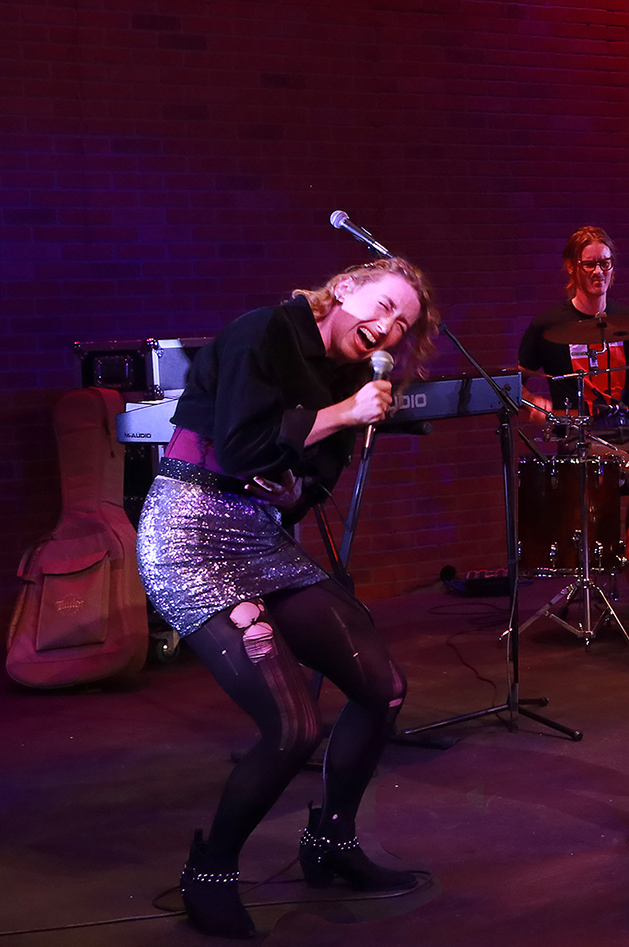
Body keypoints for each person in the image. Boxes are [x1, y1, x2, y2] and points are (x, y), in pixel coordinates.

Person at [136, 258, 437, 938]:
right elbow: (241, 448)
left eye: (402, 324)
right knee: (291, 726)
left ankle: (330, 841)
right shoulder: (263, 332)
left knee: (381, 687)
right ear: (347, 287)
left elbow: (315, 481)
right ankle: (209, 870)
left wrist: (297, 491)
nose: (387, 327)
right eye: (383, 305)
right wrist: (344, 414)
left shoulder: (357, 375)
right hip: (189, 535)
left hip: (260, 539)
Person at [518, 226, 629, 500]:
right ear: (571, 267)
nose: (598, 272)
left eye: (605, 264)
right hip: (578, 439)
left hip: (626, 433)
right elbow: (512, 388)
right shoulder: (548, 325)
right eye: (589, 264)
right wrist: (535, 406)